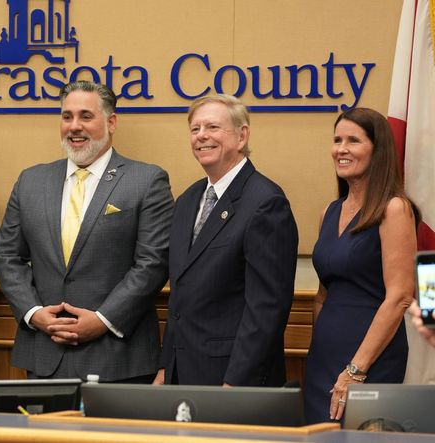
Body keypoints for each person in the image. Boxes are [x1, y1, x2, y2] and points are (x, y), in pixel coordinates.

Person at [0, 81, 174, 382]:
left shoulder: (146, 181)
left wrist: (103, 319)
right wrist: (34, 313)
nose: (74, 126)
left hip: (118, 358)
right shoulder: (31, 181)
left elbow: (153, 263)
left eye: (86, 116)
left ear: (111, 122)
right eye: (67, 117)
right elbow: (7, 256)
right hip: (45, 355)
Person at [155, 94, 298, 387]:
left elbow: (266, 308)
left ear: (241, 136)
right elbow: (180, 298)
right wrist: (165, 368)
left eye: (212, 127)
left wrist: (236, 382)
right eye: (195, 129)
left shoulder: (266, 203)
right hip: (182, 374)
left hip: (232, 378)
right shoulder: (187, 200)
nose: (201, 136)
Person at [303, 107, 419, 423]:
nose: (341, 149)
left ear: (377, 150)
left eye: (353, 140)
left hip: (370, 360)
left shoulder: (394, 209)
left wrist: (356, 369)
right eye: (337, 140)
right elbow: (323, 295)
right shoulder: (329, 212)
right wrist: (317, 348)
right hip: (323, 358)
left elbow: (399, 297)